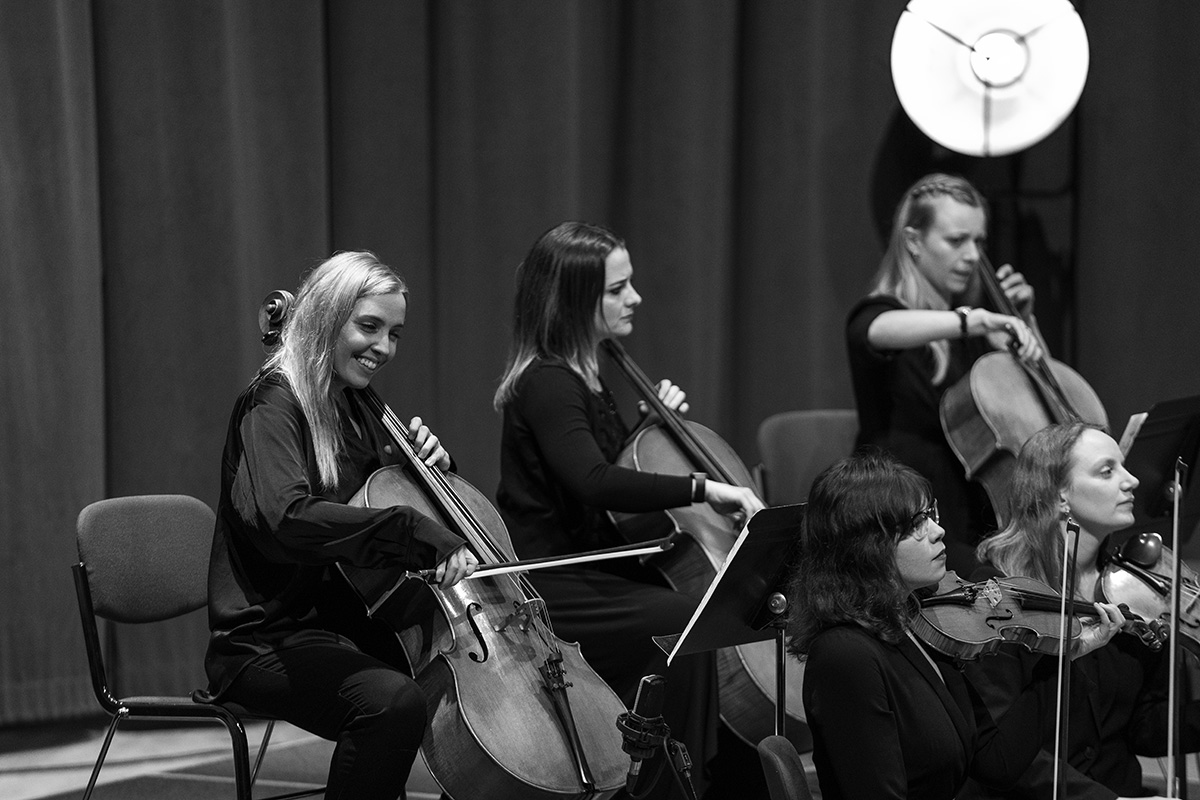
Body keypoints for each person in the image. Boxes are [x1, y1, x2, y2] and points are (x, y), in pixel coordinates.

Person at [493, 221, 765, 799]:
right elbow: (593, 482)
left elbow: (596, 466)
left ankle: (700, 781)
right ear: (574, 300)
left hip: (598, 568)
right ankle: (666, 788)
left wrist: (646, 428)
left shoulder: (589, 376)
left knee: (703, 616)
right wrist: (700, 488)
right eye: (617, 289)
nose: (634, 298)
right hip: (550, 582)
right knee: (682, 624)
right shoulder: (548, 382)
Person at [203, 251, 478, 800]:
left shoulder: (352, 407)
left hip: (342, 618)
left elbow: (375, 506)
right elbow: (289, 520)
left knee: (445, 691)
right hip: (264, 641)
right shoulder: (273, 403)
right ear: (327, 318)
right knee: (392, 703)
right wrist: (410, 530)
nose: (384, 347)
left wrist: (430, 475)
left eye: (394, 333)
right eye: (369, 326)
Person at [786, 450, 1125, 800]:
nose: (937, 530)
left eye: (929, 514)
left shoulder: (916, 628)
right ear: (869, 545)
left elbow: (997, 763)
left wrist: (1064, 654)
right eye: (915, 524)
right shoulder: (845, 656)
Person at [961, 422, 1200, 799]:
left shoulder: (1135, 590)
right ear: (1059, 497)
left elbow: (1143, 726)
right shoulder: (999, 594)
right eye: (1108, 471)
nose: (1132, 480)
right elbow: (995, 747)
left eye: (1123, 467)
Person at [847, 172, 1045, 572]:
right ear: (914, 242)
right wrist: (975, 320)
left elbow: (1043, 399)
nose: (973, 255)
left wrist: (1024, 322)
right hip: (902, 514)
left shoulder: (974, 333)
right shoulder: (885, 315)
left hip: (970, 505)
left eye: (979, 241)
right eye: (957, 240)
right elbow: (872, 330)